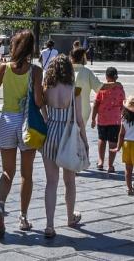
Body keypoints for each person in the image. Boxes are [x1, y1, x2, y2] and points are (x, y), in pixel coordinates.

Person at [0, 29, 44, 237]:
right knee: (26, 174)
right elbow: (38, 101)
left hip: (7, 120)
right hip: (26, 124)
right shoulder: (36, 71)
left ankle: (0, 206)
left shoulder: (4, 68)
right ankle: (23, 217)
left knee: (7, 172)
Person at [39, 54, 84, 239]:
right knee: (69, 181)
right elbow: (79, 119)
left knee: (51, 182)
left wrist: (48, 119)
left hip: (49, 133)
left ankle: (49, 224)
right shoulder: (75, 90)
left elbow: (43, 111)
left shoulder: (46, 89)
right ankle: (70, 217)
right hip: (67, 135)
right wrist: (86, 143)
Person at [90, 67, 125, 173]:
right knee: (113, 142)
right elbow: (123, 105)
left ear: (106, 77)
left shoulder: (102, 89)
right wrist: (123, 117)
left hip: (102, 119)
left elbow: (96, 104)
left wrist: (93, 118)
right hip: (115, 120)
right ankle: (110, 165)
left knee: (102, 139)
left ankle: (100, 162)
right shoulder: (120, 89)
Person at [70, 47, 101, 150]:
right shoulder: (87, 71)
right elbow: (99, 87)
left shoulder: (65, 70)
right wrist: (114, 84)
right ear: (83, 57)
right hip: (83, 109)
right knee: (79, 134)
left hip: (66, 109)